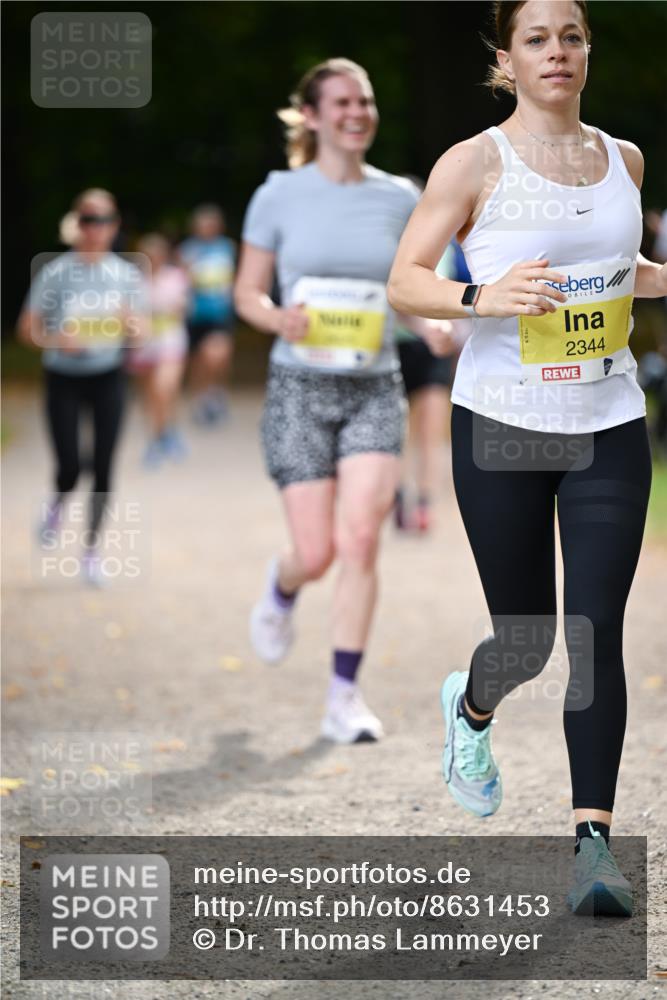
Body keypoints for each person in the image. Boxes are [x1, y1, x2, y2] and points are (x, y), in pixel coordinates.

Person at [388, 0, 666, 915]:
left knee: (591, 632)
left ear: (588, 51)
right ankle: (470, 710)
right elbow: (405, 283)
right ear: (506, 58)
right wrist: (480, 295)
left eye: (572, 36)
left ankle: (592, 844)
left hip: (607, 422)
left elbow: (619, 270)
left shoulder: (622, 160)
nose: (557, 52)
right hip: (501, 424)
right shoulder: (473, 162)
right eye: (537, 39)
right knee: (528, 639)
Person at [235, 58, 450, 743]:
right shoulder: (276, 194)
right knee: (318, 552)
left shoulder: (397, 196)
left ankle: (343, 696)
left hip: (373, 388)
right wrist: (276, 319)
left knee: (360, 540)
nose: (357, 112)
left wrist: (431, 326)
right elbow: (248, 292)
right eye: (342, 103)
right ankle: (282, 584)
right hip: (299, 387)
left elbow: (408, 287)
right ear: (314, 116)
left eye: (366, 100)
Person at [18, 188, 147, 585]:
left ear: (114, 225)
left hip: (108, 377)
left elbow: (141, 336)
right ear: (77, 224)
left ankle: (91, 552)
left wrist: (131, 327)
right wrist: (58, 340)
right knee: (70, 467)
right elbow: (28, 329)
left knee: (105, 469)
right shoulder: (54, 273)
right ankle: (57, 503)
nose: (95, 229)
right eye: (88, 220)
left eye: (103, 220)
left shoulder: (127, 275)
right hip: (64, 378)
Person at [395, 236, 471, 533]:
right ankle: (398, 494)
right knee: (398, 430)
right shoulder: (394, 241)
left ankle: (425, 501)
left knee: (432, 427)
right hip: (395, 344)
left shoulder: (450, 245)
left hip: (435, 346)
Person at [127, 234, 189, 468]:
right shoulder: (133, 280)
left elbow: (182, 307)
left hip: (170, 342)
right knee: (151, 396)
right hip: (143, 348)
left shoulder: (176, 277)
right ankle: (158, 436)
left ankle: (164, 434)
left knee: (165, 389)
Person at [178, 204, 236, 425]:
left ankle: (216, 392)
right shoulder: (187, 250)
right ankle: (201, 399)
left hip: (220, 313)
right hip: (195, 314)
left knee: (217, 355)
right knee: (198, 361)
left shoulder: (227, 247)